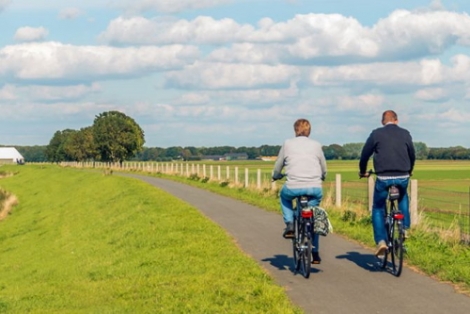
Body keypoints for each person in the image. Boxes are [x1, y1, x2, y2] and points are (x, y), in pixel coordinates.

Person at [359, 110, 415, 257]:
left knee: (377, 207)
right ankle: (405, 228)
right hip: (403, 175)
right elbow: (412, 154)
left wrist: (362, 171)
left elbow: (365, 155)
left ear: (383, 121)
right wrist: (410, 170)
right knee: (403, 197)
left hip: (383, 177)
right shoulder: (405, 133)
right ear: (396, 120)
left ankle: (381, 241)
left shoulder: (376, 134)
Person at [272, 118, 327, 264]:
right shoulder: (316, 145)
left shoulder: (287, 144)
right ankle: (315, 252)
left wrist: (276, 175)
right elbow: (323, 166)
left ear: (295, 130)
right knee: (313, 217)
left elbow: (278, 165)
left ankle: (290, 223)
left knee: (284, 198)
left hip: (293, 187)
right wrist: (323, 176)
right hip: (314, 188)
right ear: (309, 130)